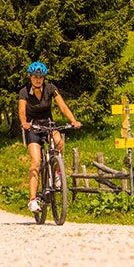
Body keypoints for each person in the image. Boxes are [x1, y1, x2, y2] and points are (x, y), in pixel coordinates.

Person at [18, 61, 81, 214]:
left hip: (48, 125)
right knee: (36, 161)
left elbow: (63, 106)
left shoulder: (51, 89)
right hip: (33, 127)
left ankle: (58, 174)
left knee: (59, 142)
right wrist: (24, 123)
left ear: (43, 78)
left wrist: (73, 121)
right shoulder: (24, 92)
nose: (38, 79)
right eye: (35, 77)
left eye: (40, 77)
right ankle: (32, 200)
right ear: (30, 77)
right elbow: (21, 111)